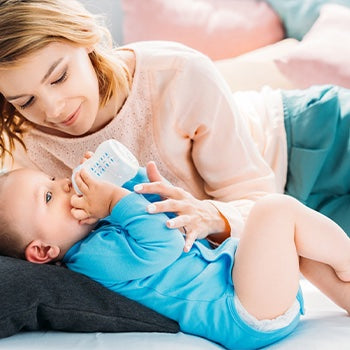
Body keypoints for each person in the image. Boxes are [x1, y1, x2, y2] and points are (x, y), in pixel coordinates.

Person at [1, 0, 350, 252]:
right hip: (283, 225)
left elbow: (257, 196)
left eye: (59, 76)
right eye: (25, 101)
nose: (53, 109)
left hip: (310, 137)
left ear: (86, 38)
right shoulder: (28, 157)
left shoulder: (176, 73)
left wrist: (209, 215)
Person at [0, 165, 349, 350]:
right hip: (242, 313)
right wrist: (114, 200)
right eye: (47, 196)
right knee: (274, 211)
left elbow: (157, 214)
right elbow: (163, 244)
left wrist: (127, 178)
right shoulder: (91, 259)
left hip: (245, 289)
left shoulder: (102, 230)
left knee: (298, 248)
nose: (63, 185)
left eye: (52, 178)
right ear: (43, 251)